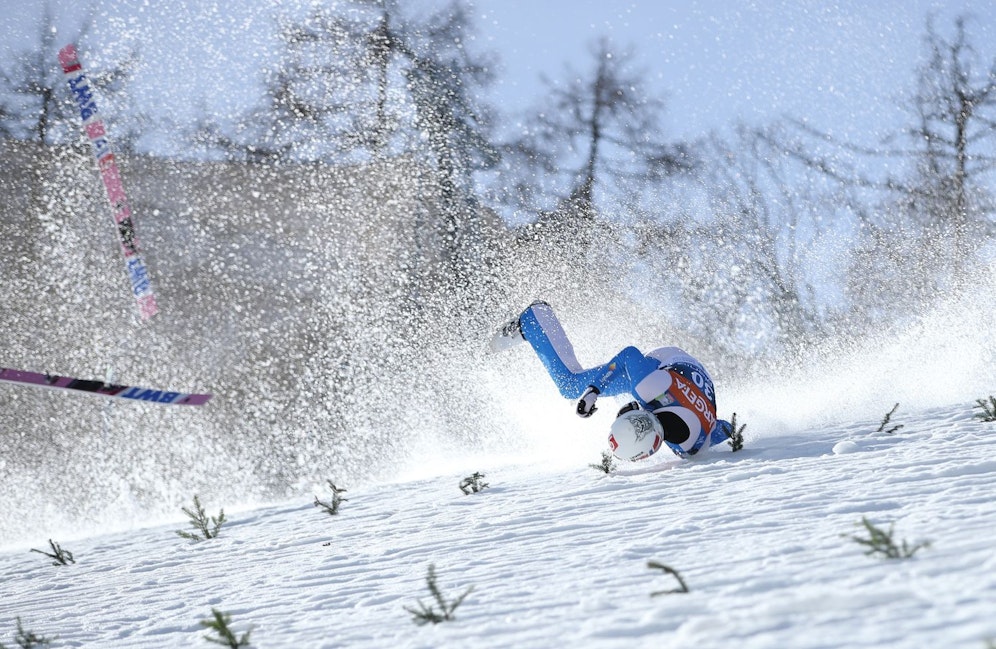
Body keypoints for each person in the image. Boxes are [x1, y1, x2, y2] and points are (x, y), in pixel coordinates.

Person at [490, 301, 732, 461]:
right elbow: (629, 354)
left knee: (633, 392)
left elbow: (723, 429)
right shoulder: (649, 387)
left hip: (688, 383)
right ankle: (534, 320)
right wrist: (595, 389)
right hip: (667, 362)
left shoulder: (695, 446)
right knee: (571, 386)